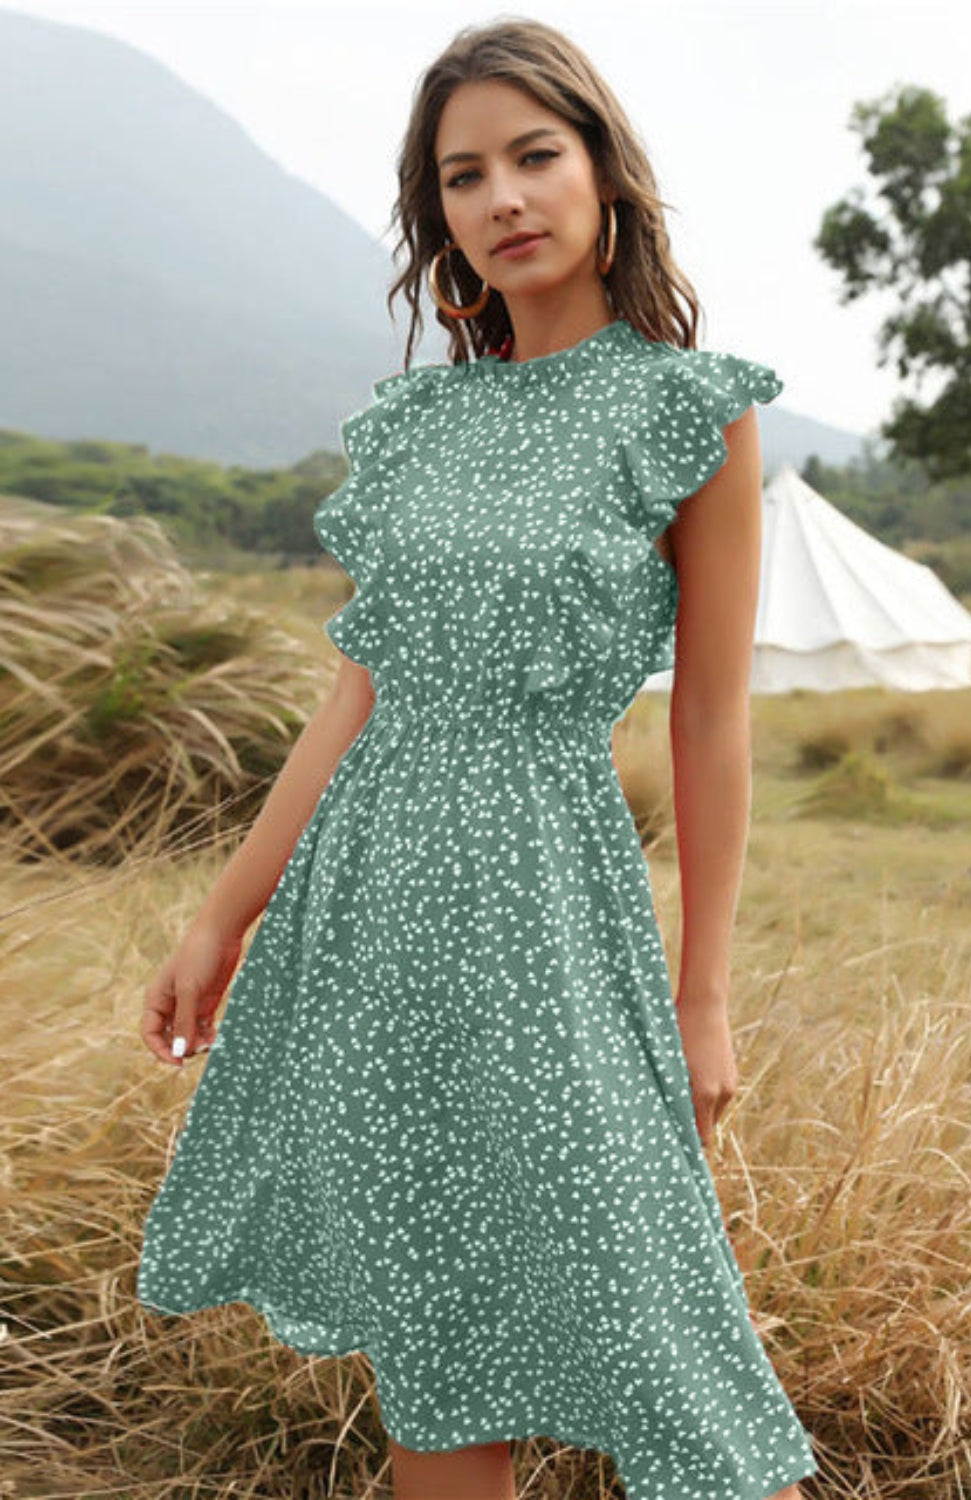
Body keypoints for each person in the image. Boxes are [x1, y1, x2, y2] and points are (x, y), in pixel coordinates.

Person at [137, 18, 818, 1500]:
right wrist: (221, 915)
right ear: (434, 214)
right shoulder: (418, 426)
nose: (502, 197)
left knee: (665, 1315)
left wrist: (703, 996)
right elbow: (353, 702)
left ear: (605, 177)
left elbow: (711, 719)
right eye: (462, 176)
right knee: (438, 1337)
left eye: (533, 156)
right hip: (373, 912)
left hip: (549, 904)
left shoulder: (691, 410)